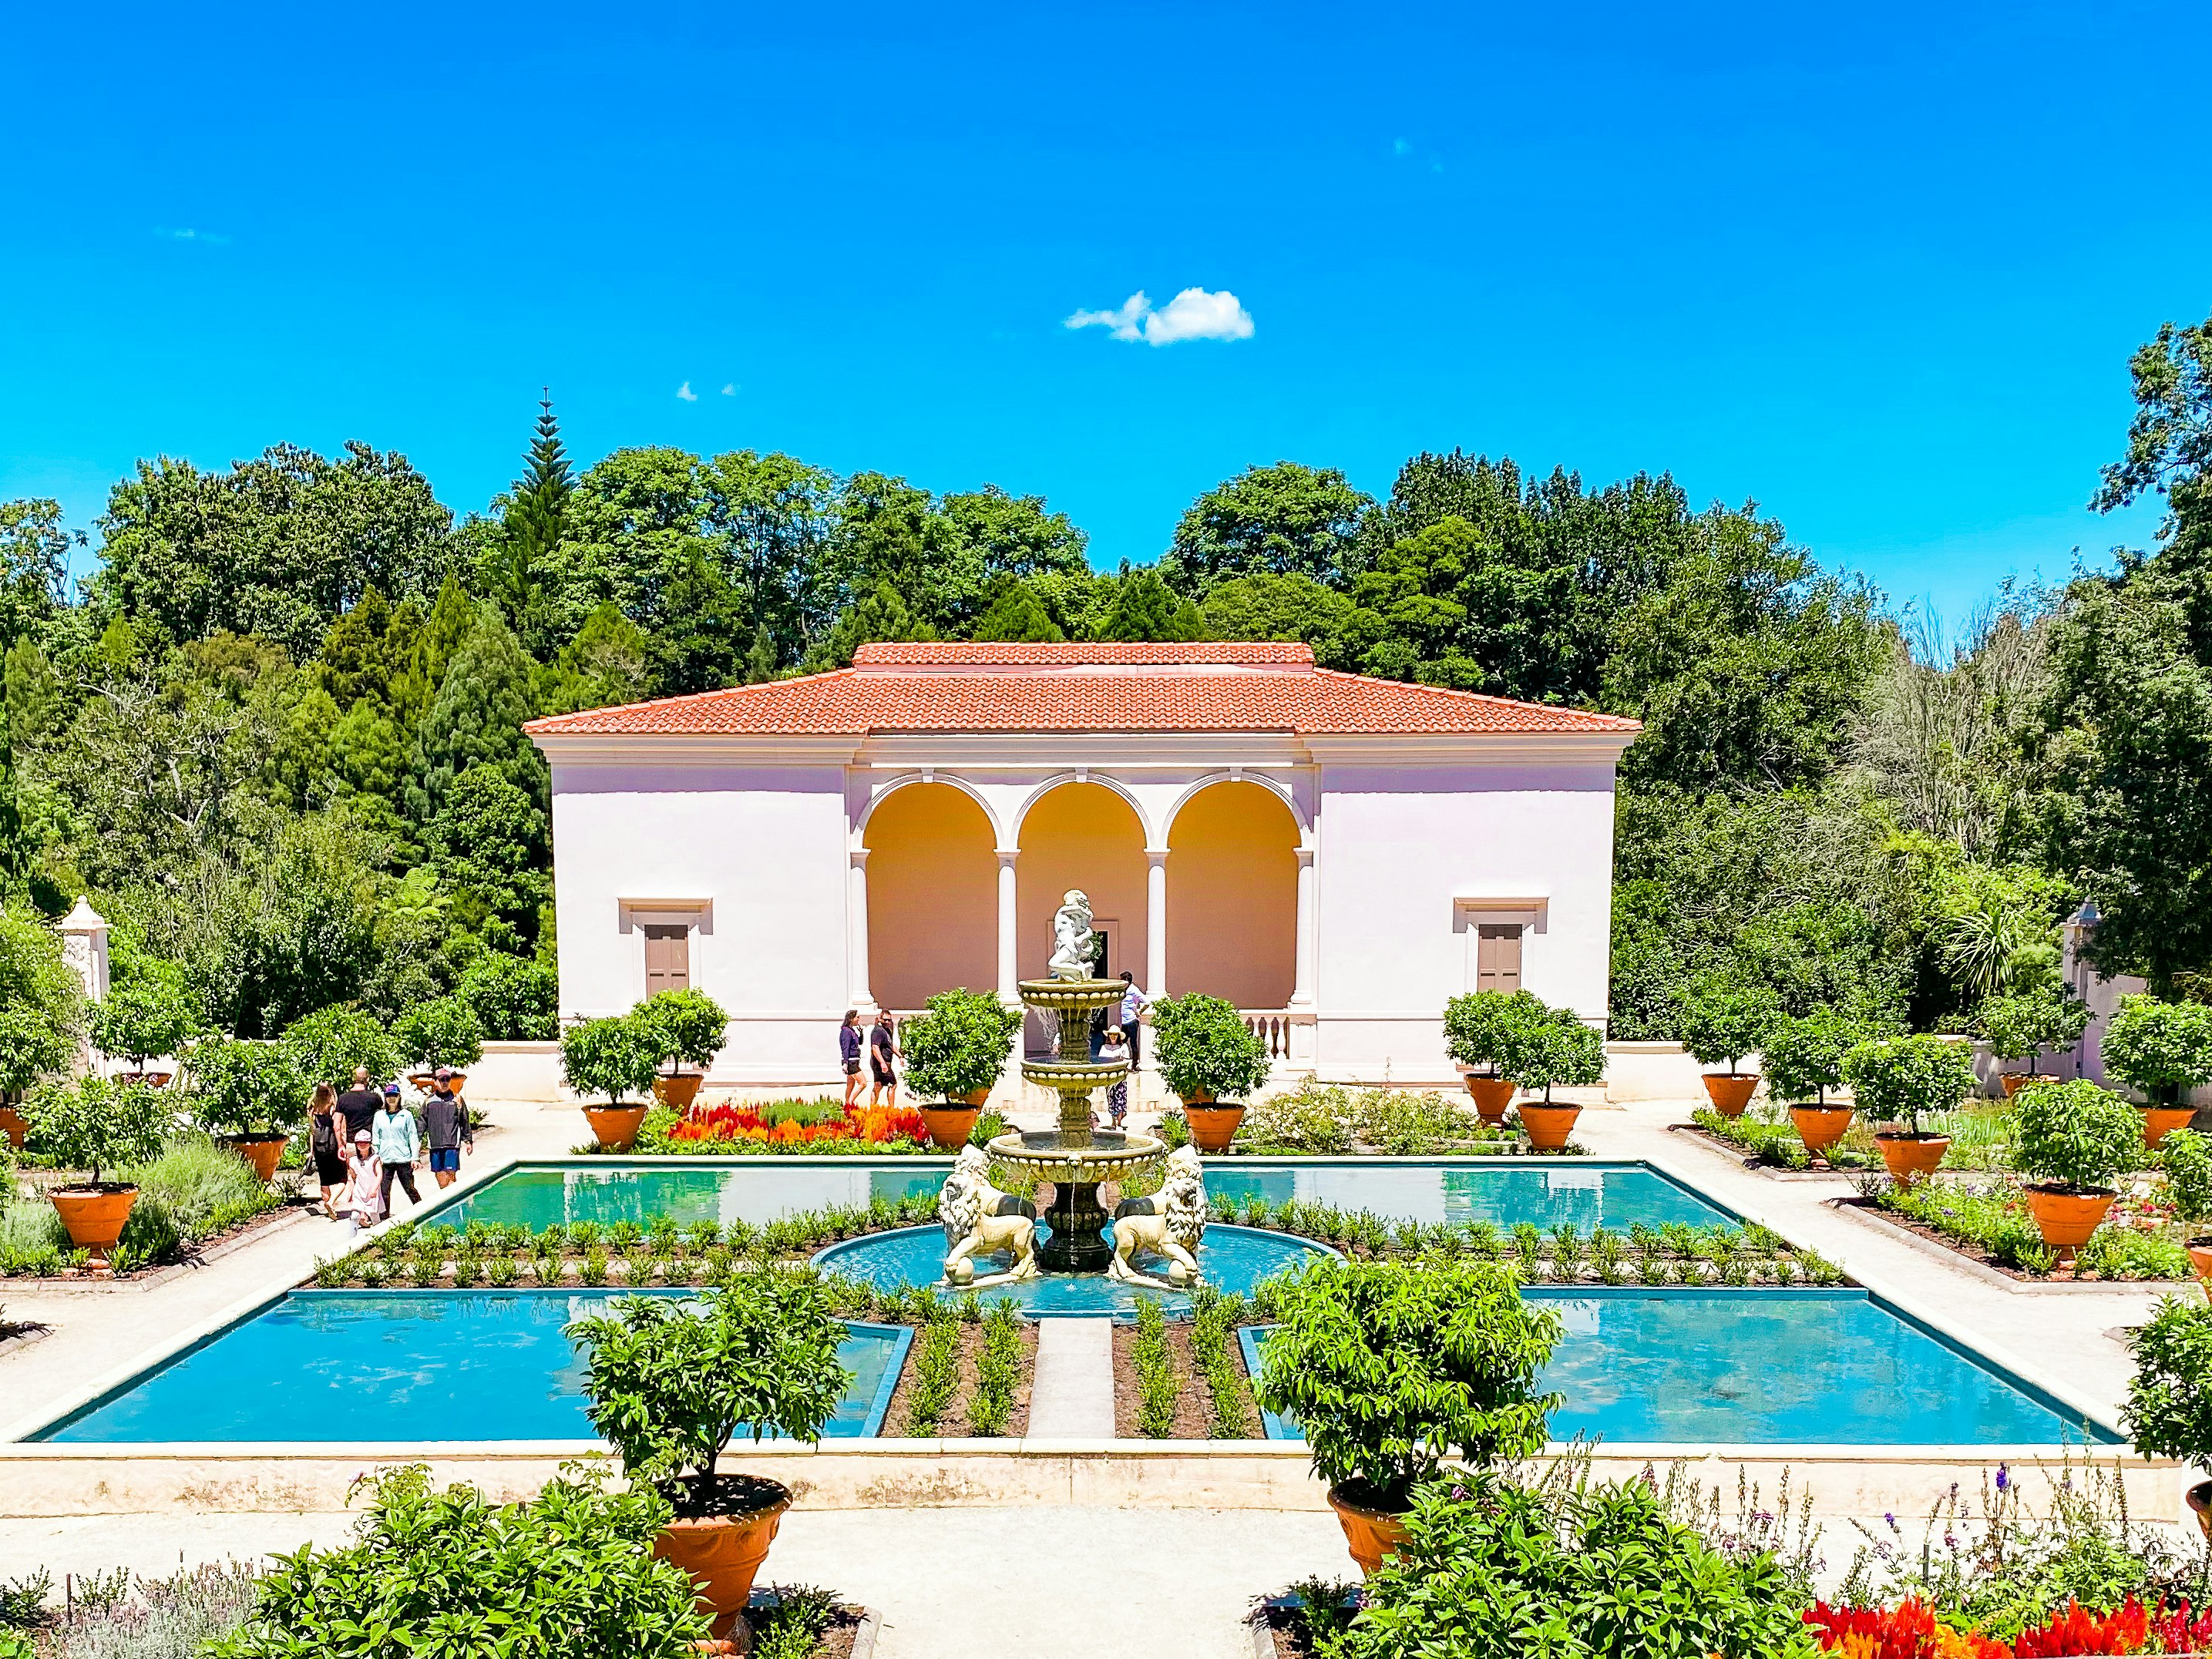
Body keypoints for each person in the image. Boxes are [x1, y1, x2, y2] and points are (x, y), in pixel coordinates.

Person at [372, 1083, 423, 1214]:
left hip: (403, 1159)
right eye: (389, 1096)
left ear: (399, 1096)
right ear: (385, 1097)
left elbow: (412, 1136)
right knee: (384, 1191)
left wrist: (415, 1157)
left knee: (409, 1188)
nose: (391, 1098)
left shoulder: (406, 1115)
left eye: (394, 1095)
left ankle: (422, 1211)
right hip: (385, 1160)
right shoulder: (379, 1116)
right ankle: (384, 1218)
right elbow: (376, 1138)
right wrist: (377, 1157)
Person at [421, 1067, 473, 1189]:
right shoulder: (429, 1101)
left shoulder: (457, 1099)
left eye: (447, 1079)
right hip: (435, 1145)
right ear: (435, 1081)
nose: (444, 1082)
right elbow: (422, 1121)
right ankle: (451, 1201)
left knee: (450, 1175)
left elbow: (464, 1120)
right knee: (441, 1177)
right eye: (442, 1079)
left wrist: (468, 1140)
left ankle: (454, 1206)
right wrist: (417, 1140)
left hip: (452, 1145)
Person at [335, 1129, 385, 1237]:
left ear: (369, 1144)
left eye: (365, 1143)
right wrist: (350, 1192)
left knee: (375, 1218)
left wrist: (375, 1189)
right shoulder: (353, 1160)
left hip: (372, 1192)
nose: (362, 1145)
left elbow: (379, 1175)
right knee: (354, 1216)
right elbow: (352, 1177)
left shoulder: (375, 1159)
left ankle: (379, 1239)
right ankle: (352, 1240)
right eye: (359, 1143)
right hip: (359, 1191)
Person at [307, 1083, 346, 1217]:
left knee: (324, 1180)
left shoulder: (313, 1108)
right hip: (332, 1147)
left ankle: (330, 1210)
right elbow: (337, 1128)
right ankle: (331, 1201)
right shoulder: (333, 1108)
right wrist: (342, 1145)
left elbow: (312, 1132)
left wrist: (311, 1151)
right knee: (343, 1178)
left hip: (319, 1149)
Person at [335, 1067, 382, 1144]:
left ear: (353, 1078)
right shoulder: (374, 1098)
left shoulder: (343, 1098)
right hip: (369, 1143)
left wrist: (340, 1145)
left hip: (351, 1143)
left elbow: (336, 1126)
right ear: (367, 1079)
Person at [1099, 1026, 1131, 1129]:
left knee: (1120, 1099)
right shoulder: (1104, 1047)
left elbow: (1127, 1062)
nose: (1113, 1036)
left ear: (1118, 1036)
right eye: (1111, 1034)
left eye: (1115, 1034)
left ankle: (1119, 1121)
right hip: (1109, 1077)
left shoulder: (1124, 1047)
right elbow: (1101, 1061)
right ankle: (1113, 1120)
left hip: (1120, 1077)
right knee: (1111, 1099)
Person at [1118, 972, 1151, 1068]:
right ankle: (1122, 1062)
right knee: (1122, 1042)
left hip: (1132, 1021)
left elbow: (1147, 1001)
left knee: (1133, 1043)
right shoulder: (1124, 990)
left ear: (1127, 981)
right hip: (1124, 1020)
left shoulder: (1133, 989)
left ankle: (1135, 1064)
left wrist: (1140, 1012)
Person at [868, 1009, 901, 1108]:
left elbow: (891, 1045)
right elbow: (875, 1047)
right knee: (892, 1084)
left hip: (884, 1063)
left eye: (889, 1020)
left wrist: (900, 1056)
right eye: (885, 1020)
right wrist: (882, 1062)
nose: (887, 1022)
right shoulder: (878, 1031)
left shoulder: (886, 1030)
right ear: (880, 1019)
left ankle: (872, 1109)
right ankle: (892, 1109)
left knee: (878, 1085)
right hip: (880, 1063)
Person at [839, 1010, 864, 1111]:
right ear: (851, 1019)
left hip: (854, 1059)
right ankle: (850, 1102)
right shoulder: (846, 1031)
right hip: (851, 1061)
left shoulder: (851, 1030)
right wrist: (845, 1063)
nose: (859, 1019)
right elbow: (846, 1047)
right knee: (863, 1083)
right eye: (857, 1017)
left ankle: (846, 1105)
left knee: (851, 1084)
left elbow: (860, 1042)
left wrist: (861, 1032)